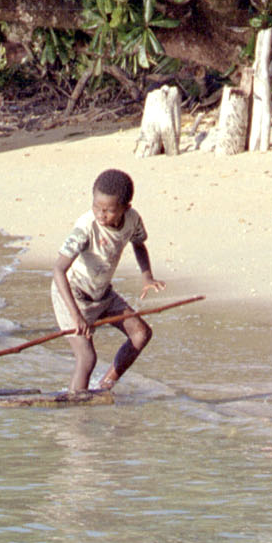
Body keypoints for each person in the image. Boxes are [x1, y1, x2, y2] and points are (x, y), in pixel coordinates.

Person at [51, 168, 165, 394]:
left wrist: (147, 277)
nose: (101, 214)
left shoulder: (133, 220)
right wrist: (76, 316)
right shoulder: (86, 227)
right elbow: (58, 270)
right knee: (87, 358)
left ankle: (104, 386)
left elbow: (139, 244)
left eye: (109, 211)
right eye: (96, 207)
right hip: (72, 295)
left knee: (141, 333)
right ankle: (76, 414)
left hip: (102, 294)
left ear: (125, 208)